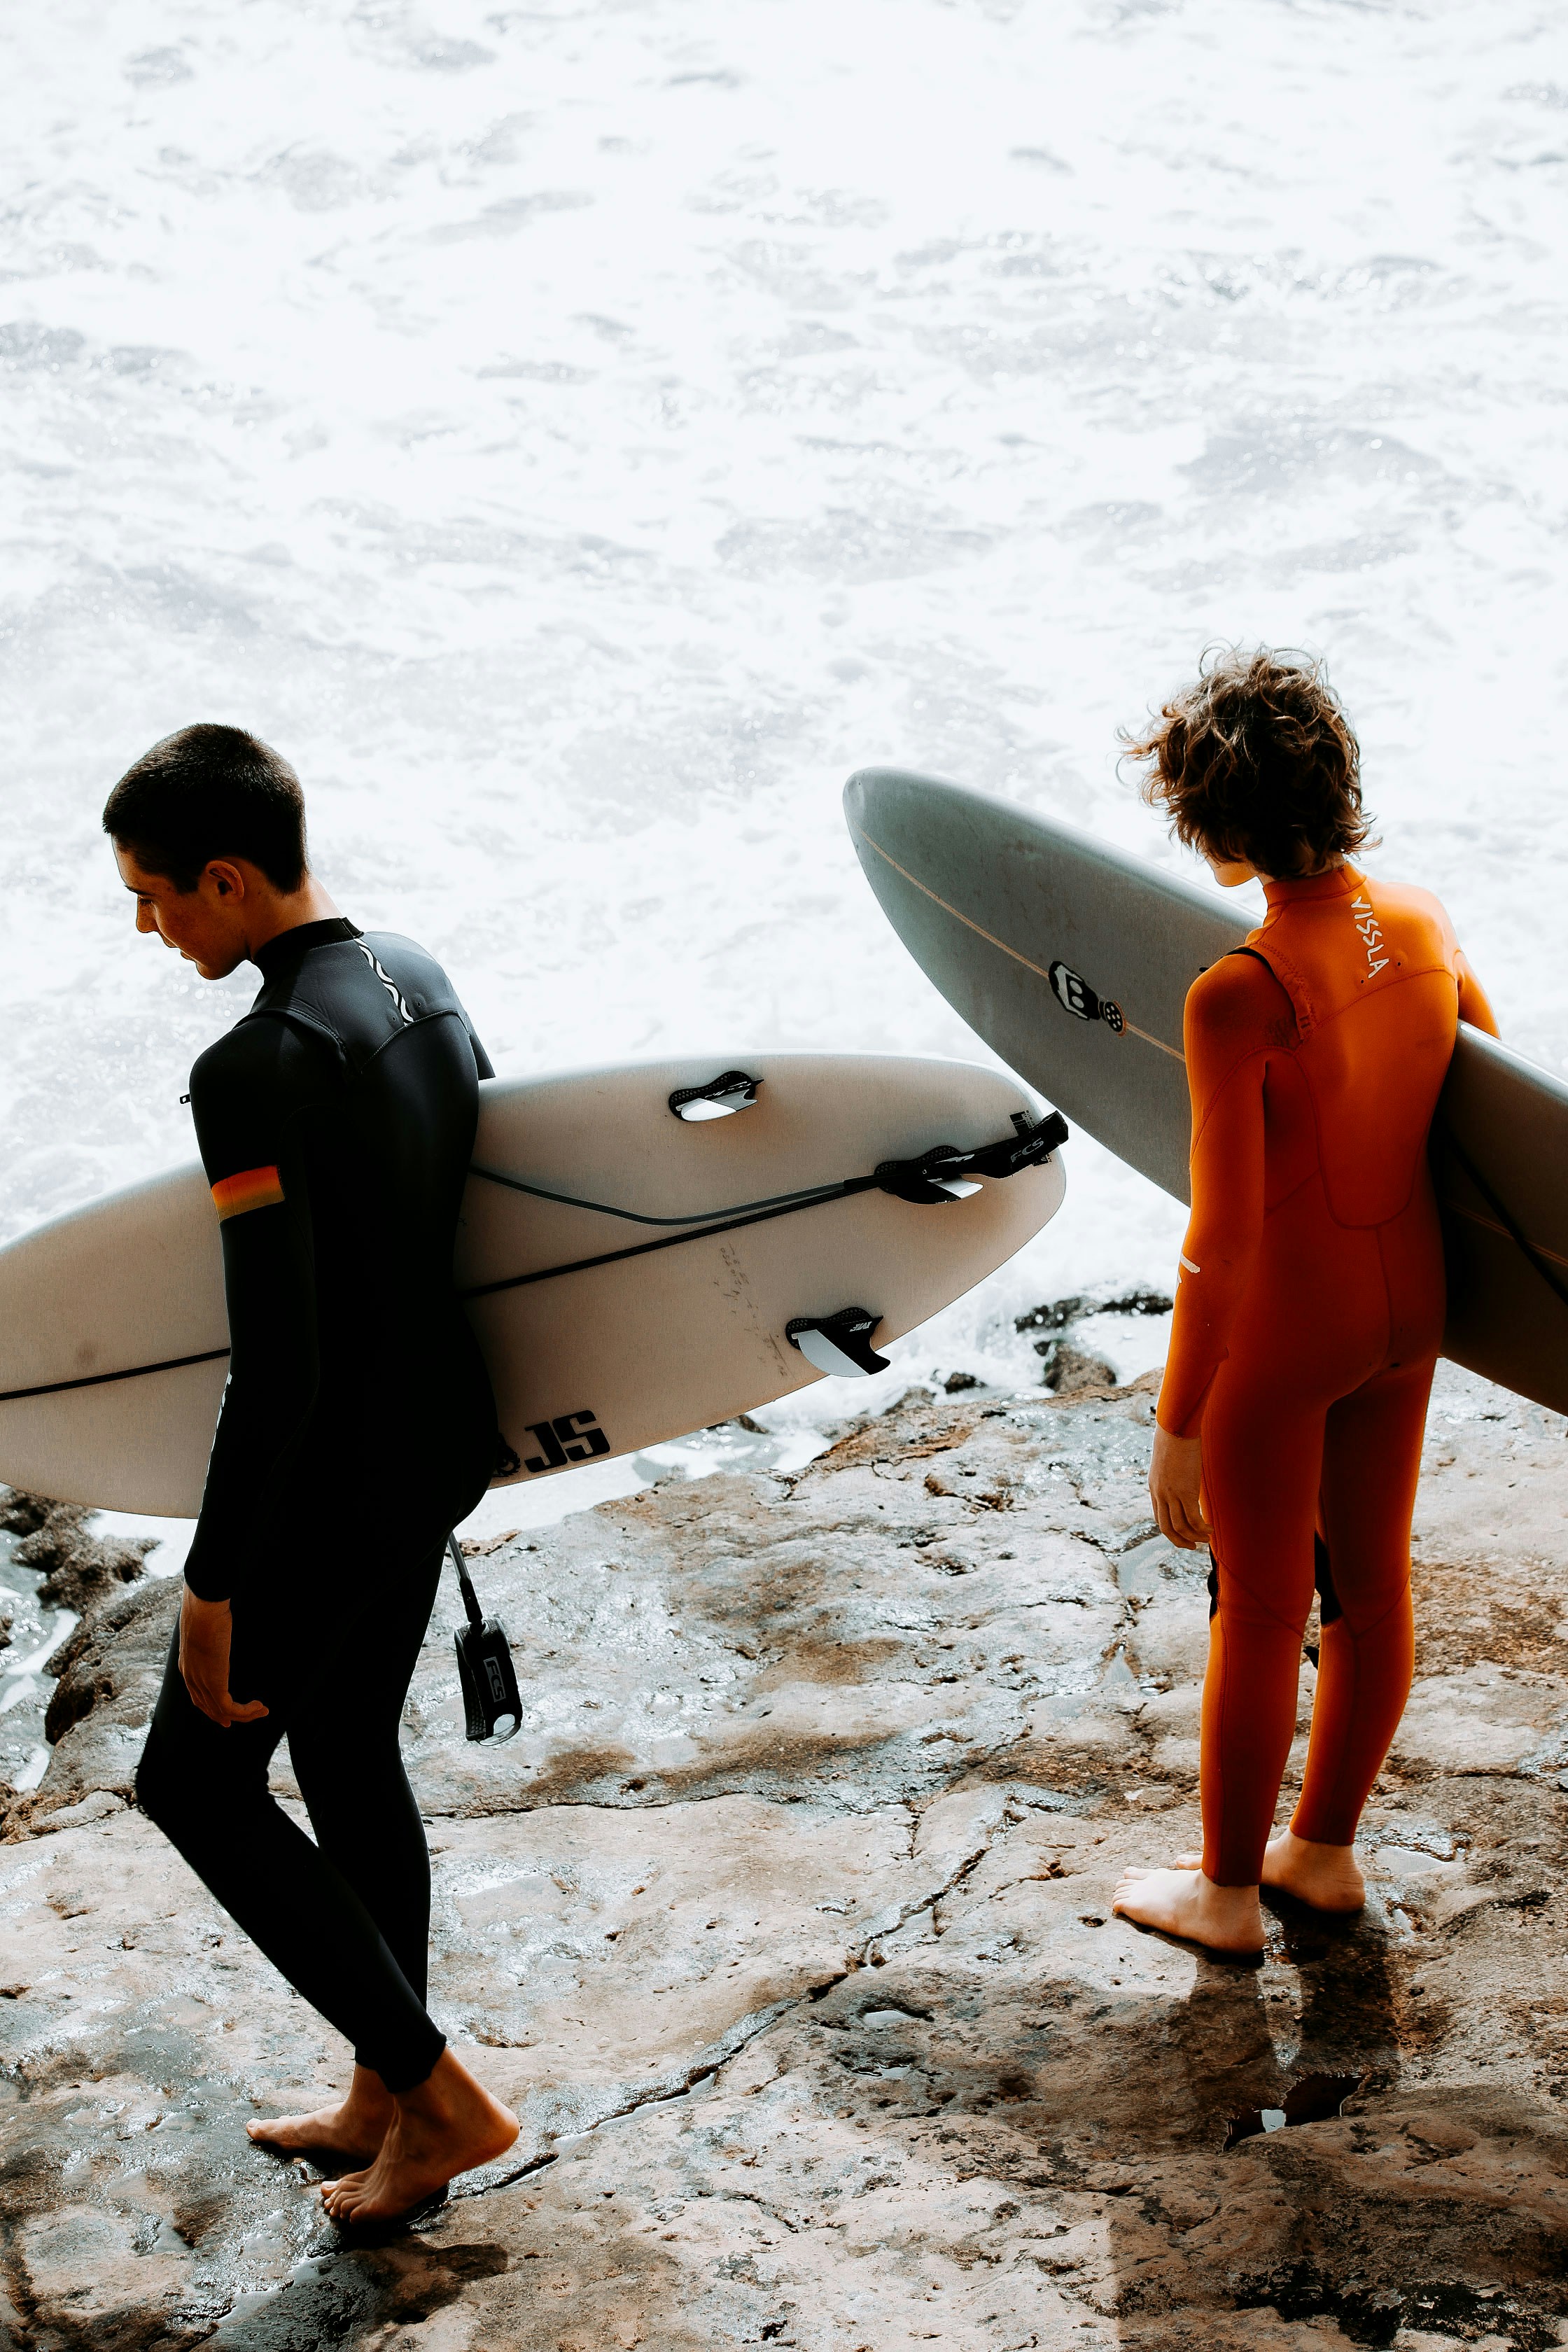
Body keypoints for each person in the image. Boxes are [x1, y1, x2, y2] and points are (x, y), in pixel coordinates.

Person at [106, 723, 519, 2222]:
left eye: (155, 897)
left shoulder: (256, 1067)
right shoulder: (414, 977)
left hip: (328, 1482)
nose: (149, 927)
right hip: (435, 1448)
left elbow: (274, 1368)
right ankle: (380, 2095)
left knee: (193, 1790)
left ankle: (443, 2097)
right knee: (345, 1755)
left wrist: (213, 1585)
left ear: (225, 877)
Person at [1109, 650, 1497, 1959]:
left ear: (1217, 832)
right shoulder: (1427, 920)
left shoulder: (1240, 992)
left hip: (1291, 1331)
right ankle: (1321, 1853)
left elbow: (1219, 1238)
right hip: (1409, 1309)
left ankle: (1222, 1893)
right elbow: (1490, 1124)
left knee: (1264, 1607)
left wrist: (1179, 1421)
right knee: (1374, 1593)